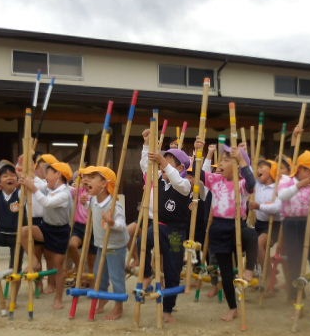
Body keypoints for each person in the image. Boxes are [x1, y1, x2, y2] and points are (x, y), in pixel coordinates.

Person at [197, 140, 256, 322]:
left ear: (237, 164)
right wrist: (199, 153)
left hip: (237, 226)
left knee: (251, 235)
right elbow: (197, 172)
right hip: (219, 227)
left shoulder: (243, 184)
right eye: (221, 160)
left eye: (226, 160)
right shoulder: (215, 180)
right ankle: (232, 307)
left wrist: (243, 161)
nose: (221, 164)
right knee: (226, 272)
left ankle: (249, 268)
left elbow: (253, 183)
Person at [139, 129, 192, 323]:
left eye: (169, 161)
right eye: (164, 160)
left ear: (180, 167)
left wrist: (162, 161)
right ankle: (145, 274)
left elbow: (178, 181)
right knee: (145, 236)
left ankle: (168, 309)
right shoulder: (158, 180)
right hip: (160, 227)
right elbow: (146, 166)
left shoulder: (184, 184)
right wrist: (146, 144)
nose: (164, 165)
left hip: (177, 232)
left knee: (173, 269)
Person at [277, 151, 310, 302]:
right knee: (294, 259)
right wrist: (300, 185)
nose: (309, 173)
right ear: (299, 168)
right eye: (306, 169)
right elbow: (282, 196)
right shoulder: (288, 181)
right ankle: (296, 295)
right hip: (291, 224)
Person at [20, 160, 73, 310]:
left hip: (60, 232)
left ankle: (58, 298)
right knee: (24, 231)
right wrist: (26, 177)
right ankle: (34, 260)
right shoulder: (49, 187)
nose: (46, 177)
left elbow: (47, 203)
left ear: (58, 174)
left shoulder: (64, 193)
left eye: (48, 173)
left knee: (58, 267)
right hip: (46, 227)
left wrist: (33, 188)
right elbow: (36, 185)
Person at [80, 166, 129, 320]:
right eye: (86, 177)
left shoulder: (114, 204)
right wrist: (83, 203)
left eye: (92, 176)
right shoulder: (94, 199)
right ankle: (102, 299)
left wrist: (111, 222)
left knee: (116, 277)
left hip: (115, 246)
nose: (86, 180)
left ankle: (119, 306)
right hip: (101, 244)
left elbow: (121, 226)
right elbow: (92, 208)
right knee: (99, 274)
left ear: (103, 184)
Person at [0, 160, 25, 270]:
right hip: (0, 234)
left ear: (17, 180)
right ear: (0, 182)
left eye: (12, 175)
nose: (9, 178)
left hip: (18, 237)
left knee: (15, 270)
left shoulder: (21, 194)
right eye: (5, 176)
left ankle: (14, 271)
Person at [248, 160, 282, 289]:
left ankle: (269, 278)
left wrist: (259, 206)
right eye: (258, 167)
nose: (259, 170)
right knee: (254, 247)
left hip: (275, 224)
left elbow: (277, 208)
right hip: (259, 223)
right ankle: (264, 273)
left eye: (262, 167)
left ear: (272, 170)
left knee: (259, 243)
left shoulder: (278, 187)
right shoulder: (257, 185)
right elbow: (248, 172)